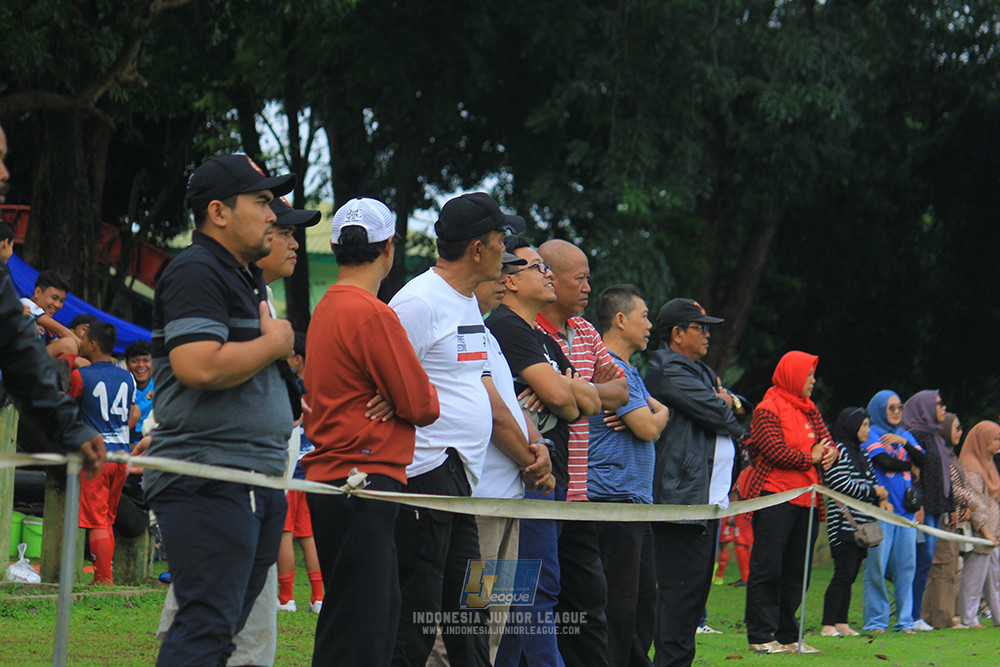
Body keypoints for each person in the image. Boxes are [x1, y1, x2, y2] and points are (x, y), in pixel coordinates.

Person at [144, 154, 297, 666]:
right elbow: (198, 366)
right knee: (207, 625)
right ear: (219, 212)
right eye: (261, 202)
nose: (273, 215)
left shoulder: (237, 274)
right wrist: (275, 344)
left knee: (220, 628)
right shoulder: (195, 270)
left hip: (249, 478)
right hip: (213, 476)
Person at [388, 191, 530, 665]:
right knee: (420, 616)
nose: (505, 252)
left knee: (469, 615)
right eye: (500, 240)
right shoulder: (418, 302)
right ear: (477, 248)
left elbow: (473, 380)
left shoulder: (466, 302)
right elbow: (386, 385)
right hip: (424, 477)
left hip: (459, 480)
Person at [303, 197, 439, 666]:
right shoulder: (374, 313)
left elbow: (409, 400)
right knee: (365, 628)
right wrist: (400, 399)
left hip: (335, 478)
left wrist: (397, 397)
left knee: (353, 617)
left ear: (338, 248)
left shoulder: (326, 307)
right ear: (389, 249)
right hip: (364, 480)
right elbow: (423, 404)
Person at [490, 236, 600, 667]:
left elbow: (581, 405)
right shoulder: (506, 326)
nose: (549, 275)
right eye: (539, 267)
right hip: (526, 477)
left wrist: (562, 390)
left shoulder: (542, 339)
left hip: (549, 478)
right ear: (511, 281)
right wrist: (561, 389)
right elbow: (565, 395)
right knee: (531, 589)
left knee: (527, 591)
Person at [533, 240, 626, 664]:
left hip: (580, 497)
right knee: (533, 603)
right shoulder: (526, 331)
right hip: (540, 490)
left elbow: (619, 390)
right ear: (549, 276)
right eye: (581, 277)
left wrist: (575, 387)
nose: (589, 287)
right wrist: (588, 391)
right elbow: (565, 401)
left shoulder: (586, 330)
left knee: (589, 605)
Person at [643, 298, 744, 666]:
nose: (707, 334)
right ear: (677, 333)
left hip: (706, 502)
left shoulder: (699, 371)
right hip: (680, 500)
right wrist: (726, 403)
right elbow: (720, 413)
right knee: (679, 598)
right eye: (700, 327)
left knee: (693, 599)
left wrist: (727, 400)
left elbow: (733, 403)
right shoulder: (666, 367)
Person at [0, 121, 104, 473]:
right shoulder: (26, 304)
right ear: (38, 293)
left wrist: (70, 427)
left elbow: (21, 357)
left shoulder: (3, 283)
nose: (4, 173)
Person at [467, 250, 554, 662]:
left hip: (510, 498)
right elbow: (492, 408)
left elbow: (516, 407)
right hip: (484, 499)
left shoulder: (488, 333)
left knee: (497, 624)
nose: (505, 279)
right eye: (500, 271)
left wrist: (536, 444)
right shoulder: (481, 326)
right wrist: (534, 458)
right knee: (473, 620)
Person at [588, 284, 667, 666]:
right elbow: (648, 427)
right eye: (645, 316)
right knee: (619, 608)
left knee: (641, 603)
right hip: (612, 502)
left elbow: (645, 415)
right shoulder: (609, 365)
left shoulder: (629, 370)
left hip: (634, 504)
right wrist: (659, 414)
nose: (651, 324)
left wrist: (651, 412)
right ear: (620, 320)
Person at [742, 351, 835, 655]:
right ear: (793, 375)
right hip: (775, 497)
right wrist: (813, 457)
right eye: (808, 374)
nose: (813, 381)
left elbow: (827, 442)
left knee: (798, 571)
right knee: (768, 567)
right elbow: (774, 451)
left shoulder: (811, 410)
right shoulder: (768, 408)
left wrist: (830, 453)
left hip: (806, 501)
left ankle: (787, 635)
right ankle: (759, 634)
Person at [68, 321, 138, 585]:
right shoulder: (127, 377)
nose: (81, 342)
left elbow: (70, 409)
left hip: (97, 457)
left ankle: (103, 580)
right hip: (121, 457)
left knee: (97, 520)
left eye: (84, 339)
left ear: (93, 344)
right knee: (107, 518)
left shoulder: (81, 376)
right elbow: (130, 413)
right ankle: (102, 577)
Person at [862, 390, 927, 634]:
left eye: (900, 407)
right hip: (883, 512)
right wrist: (909, 465)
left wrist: (905, 444)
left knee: (907, 568)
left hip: (906, 514)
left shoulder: (904, 434)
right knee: (877, 567)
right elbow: (884, 462)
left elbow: (924, 461)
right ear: (880, 409)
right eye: (891, 408)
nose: (897, 412)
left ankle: (905, 621)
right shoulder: (873, 433)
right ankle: (876, 621)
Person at [820, 407, 887, 637]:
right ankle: (828, 624)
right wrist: (873, 490)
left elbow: (871, 481)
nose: (867, 430)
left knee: (851, 575)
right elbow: (840, 485)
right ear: (851, 426)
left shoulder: (863, 454)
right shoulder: (839, 450)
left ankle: (842, 622)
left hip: (862, 525)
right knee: (842, 573)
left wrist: (878, 493)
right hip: (843, 524)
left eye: (869, 425)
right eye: (864, 425)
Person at [276, 332, 324, 614]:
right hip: (313, 472)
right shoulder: (322, 387)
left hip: (291, 470)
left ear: (297, 358)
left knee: (285, 532)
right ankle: (318, 598)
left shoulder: (291, 386)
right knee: (309, 536)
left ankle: (285, 598)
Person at [902, 390, 951, 631]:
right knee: (920, 559)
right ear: (925, 408)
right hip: (922, 508)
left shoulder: (936, 436)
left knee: (926, 560)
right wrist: (918, 504)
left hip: (935, 507)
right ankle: (910, 615)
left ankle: (915, 614)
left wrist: (949, 507)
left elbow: (943, 476)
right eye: (939, 404)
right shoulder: (914, 435)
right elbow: (913, 474)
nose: (943, 408)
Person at [954, 421, 1000, 628]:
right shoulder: (972, 467)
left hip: (993, 534)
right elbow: (977, 504)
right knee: (973, 578)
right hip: (982, 534)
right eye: (996, 439)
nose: (998, 443)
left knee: (994, 579)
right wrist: (986, 531)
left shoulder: (988, 463)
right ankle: (969, 618)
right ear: (982, 441)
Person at [922, 412, 966, 629]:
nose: (960, 432)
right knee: (943, 570)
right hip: (943, 517)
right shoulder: (941, 456)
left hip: (952, 518)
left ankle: (936, 616)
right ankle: (942, 618)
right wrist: (970, 502)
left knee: (948, 569)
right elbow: (950, 489)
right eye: (956, 428)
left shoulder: (951, 455)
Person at [19, 269, 80, 358]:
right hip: (20, 360)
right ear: (38, 292)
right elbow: (62, 331)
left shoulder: (45, 323)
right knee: (69, 344)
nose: (57, 305)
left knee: (81, 360)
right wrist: (82, 346)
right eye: (54, 298)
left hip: (35, 361)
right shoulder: (25, 304)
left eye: (61, 301)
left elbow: (55, 343)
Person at [124, 340, 153, 444]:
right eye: (135, 361)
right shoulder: (121, 386)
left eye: (146, 360)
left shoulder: (162, 385)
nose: (141, 365)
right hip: (128, 440)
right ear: (126, 364)